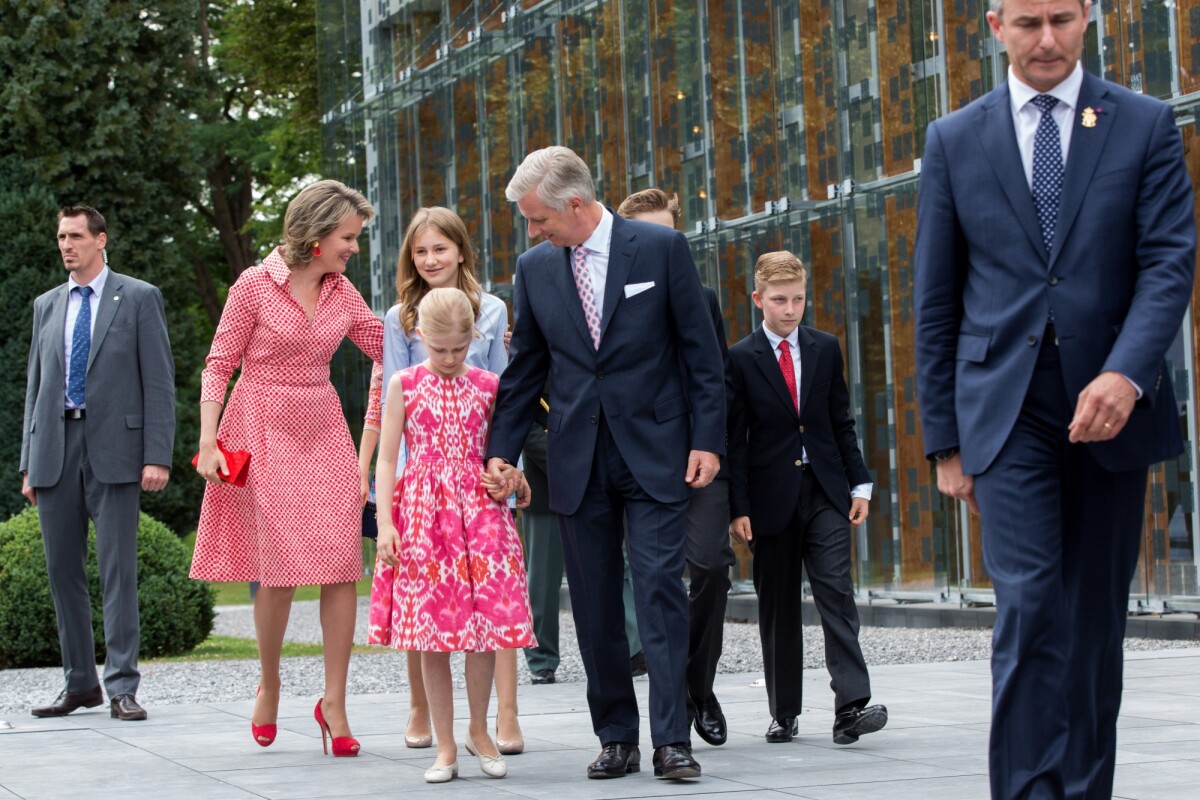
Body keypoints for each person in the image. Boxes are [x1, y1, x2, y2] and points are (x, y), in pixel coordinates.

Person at [913, 0, 1196, 795]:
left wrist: (1127, 372)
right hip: (1004, 411)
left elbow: (1168, 263)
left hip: (1111, 405)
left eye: (1062, 20)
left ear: (1088, 22)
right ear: (995, 24)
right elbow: (936, 298)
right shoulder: (954, 138)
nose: (1046, 39)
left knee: (1094, 623)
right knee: (1031, 606)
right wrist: (945, 440)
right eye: (1029, 21)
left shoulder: (1142, 124)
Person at [485, 146, 726, 781]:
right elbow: (526, 368)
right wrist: (500, 452)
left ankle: (673, 740)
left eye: (537, 219)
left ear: (575, 204)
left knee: (657, 594)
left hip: (658, 452)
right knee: (591, 604)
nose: (532, 231)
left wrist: (709, 441)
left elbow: (702, 355)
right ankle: (616, 735)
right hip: (576, 458)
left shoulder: (660, 249)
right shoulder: (535, 268)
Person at [190, 179, 383, 756]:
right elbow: (218, 364)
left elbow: (388, 345)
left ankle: (335, 702)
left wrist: (460, 333)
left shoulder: (343, 292)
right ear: (318, 234)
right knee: (276, 567)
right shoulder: (253, 285)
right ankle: (269, 683)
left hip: (322, 428)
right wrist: (207, 441)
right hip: (261, 423)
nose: (353, 248)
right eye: (348, 237)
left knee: (343, 562)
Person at [363, 206, 525, 753]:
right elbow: (389, 401)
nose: (430, 259)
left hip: (479, 473)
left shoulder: (493, 309)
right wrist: (386, 498)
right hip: (421, 473)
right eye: (421, 251)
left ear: (461, 251)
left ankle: (503, 713)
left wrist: (505, 465)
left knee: (490, 600)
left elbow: (506, 398)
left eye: (440, 248)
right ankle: (422, 708)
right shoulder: (398, 319)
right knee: (427, 602)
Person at [21, 205, 175, 721]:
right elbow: (35, 390)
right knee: (63, 572)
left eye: (76, 236)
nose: (66, 245)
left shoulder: (137, 297)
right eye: (61, 236)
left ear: (100, 239)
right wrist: (28, 462)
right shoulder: (46, 305)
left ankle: (123, 686)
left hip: (116, 452)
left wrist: (157, 455)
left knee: (117, 572)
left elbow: (158, 382)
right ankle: (80, 683)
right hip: (55, 451)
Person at [727, 251, 887, 746]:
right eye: (779, 300)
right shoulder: (739, 358)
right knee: (778, 605)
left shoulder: (825, 347)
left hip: (826, 491)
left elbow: (840, 422)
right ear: (758, 300)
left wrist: (859, 485)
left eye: (798, 299)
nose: (790, 309)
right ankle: (784, 712)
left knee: (836, 592)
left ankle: (851, 707)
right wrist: (738, 507)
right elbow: (735, 439)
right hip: (770, 500)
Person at [615, 188, 735, 746]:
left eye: (671, 235)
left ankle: (697, 686)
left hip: (698, 455)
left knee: (710, 567)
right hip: (637, 459)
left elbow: (716, 375)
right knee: (656, 581)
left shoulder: (703, 296)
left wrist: (713, 447)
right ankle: (676, 698)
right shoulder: (605, 297)